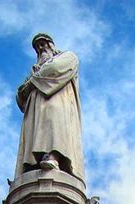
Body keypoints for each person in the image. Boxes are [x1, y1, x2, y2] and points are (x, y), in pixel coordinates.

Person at [14, 33, 85, 183]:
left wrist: (32, 82)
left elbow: (55, 69)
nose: (41, 48)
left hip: (59, 101)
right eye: (37, 47)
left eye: (43, 44)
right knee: (35, 132)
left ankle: (54, 157)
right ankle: (33, 164)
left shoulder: (68, 56)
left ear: (52, 44)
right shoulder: (35, 70)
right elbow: (20, 95)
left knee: (55, 124)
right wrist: (34, 80)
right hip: (35, 109)